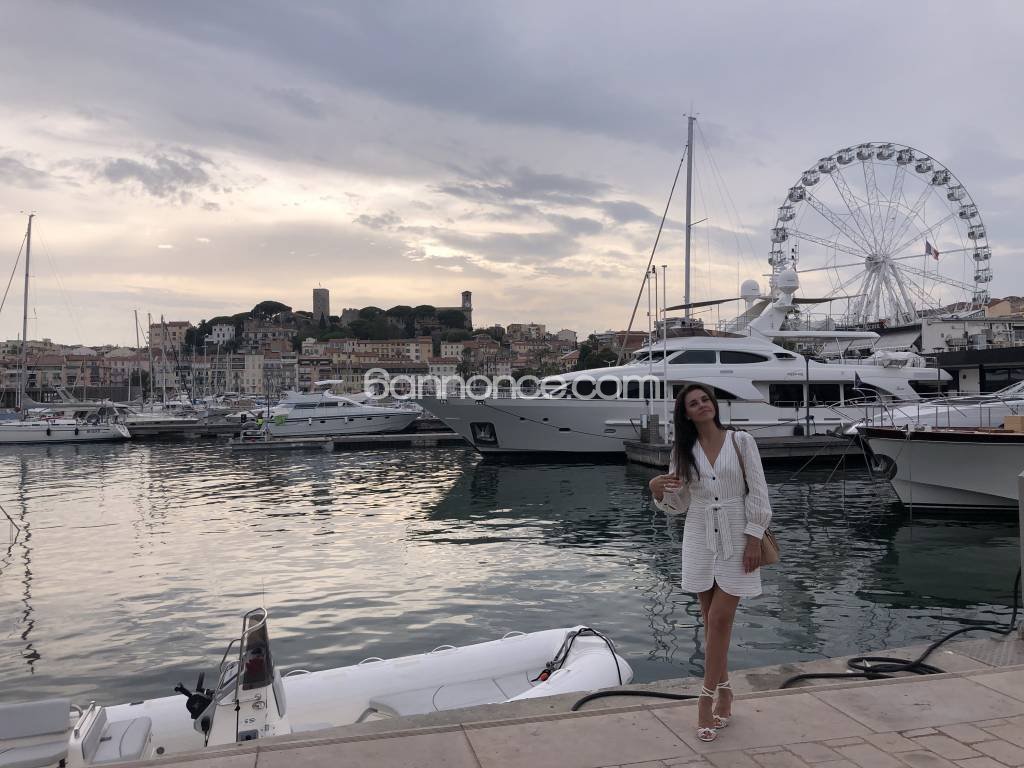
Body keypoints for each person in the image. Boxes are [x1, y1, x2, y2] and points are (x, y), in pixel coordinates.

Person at [648, 383, 772, 743]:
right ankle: (726, 690)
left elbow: (759, 492)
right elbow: (679, 505)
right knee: (710, 622)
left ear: (713, 404)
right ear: (685, 413)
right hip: (699, 534)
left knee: (719, 619)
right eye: (694, 403)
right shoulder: (683, 450)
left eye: (705, 399)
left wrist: (754, 537)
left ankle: (705, 698)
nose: (702, 405)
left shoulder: (741, 441)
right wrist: (657, 489)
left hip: (737, 532)